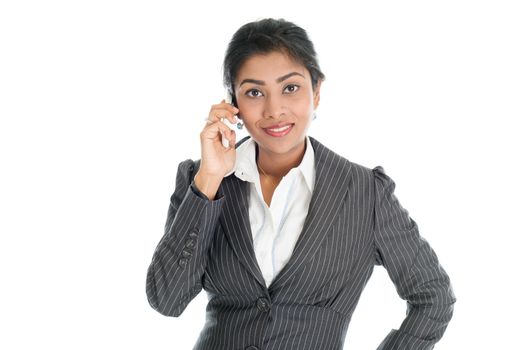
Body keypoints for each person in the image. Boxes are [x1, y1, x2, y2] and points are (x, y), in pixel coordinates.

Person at [146, 18, 456, 350]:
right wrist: (209, 179)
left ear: (317, 91)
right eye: (254, 92)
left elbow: (433, 297)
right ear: (232, 103)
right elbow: (167, 300)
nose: (274, 109)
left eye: (290, 88)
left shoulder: (366, 193)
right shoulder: (202, 180)